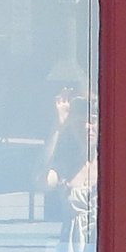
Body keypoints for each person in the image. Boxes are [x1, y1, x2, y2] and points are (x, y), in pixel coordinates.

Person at [39, 88, 87, 222]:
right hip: (72, 242)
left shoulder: (115, 163)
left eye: (92, 119)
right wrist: (57, 126)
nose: (86, 127)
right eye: (79, 122)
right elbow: (41, 181)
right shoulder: (66, 166)